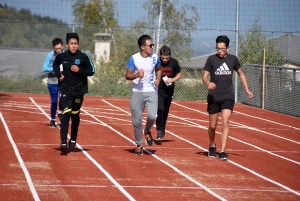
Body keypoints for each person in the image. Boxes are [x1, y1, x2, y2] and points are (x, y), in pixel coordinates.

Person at [202, 35, 253, 160]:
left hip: (228, 95)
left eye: (222, 49)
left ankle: (223, 151)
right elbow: (204, 77)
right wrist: (208, 83)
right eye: (218, 48)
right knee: (212, 126)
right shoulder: (211, 59)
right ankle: (212, 144)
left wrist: (246, 89)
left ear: (228, 48)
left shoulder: (233, 60)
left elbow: (241, 74)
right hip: (214, 96)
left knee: (225, 121)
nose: (219, 51)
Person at [53, 33, 95, 149]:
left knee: (75, 115)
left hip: (79, 90)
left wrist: (79, 70)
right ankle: (63, 141)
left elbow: (92, 71)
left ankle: (74, 136)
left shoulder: (83, 57)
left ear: (78, 45)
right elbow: (55, 65)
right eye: (71, 44)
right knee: (66, 113)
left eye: (75, 44)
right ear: (67, 45)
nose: (73, 46)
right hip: (66, 88)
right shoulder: (61, 56)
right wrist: (58, 75)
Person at [125, 34, 162, 155]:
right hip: (137, 91)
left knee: (152, 116)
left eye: (153, 45)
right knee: (137, 121)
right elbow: (127, 75)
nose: (152, 47)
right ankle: (139, 144)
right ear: (142, 47)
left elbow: (159, 69)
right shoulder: (134, 58)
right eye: (150, 45)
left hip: (151, 90)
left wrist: (158, 79)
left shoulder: (155, 57)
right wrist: (136, 75)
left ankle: (147, 130)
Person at [156, 46, 181, 140]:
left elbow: (179, 74)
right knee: (160, 109)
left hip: (169, 90)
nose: (165, 60)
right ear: (160, 56)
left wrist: (172, 79)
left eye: (167, 58)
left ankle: (162, 128)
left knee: (165, 111)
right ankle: (159, 130)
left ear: (170, 56)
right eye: (163, 58)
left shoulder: (174, 62)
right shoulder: (157, 61)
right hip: (159, 89)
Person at [43, 38, 64, 127]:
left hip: (62, 81)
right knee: (54, 101)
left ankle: (60, 112)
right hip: (52, 81)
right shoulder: (50, 55)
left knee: (62, 99)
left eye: (59, 48)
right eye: (56, 48)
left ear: (62, 46)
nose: (58, 50)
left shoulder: (65, 55)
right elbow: (44, 68)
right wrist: (55, 69)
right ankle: (53, 119)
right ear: (53, 48)